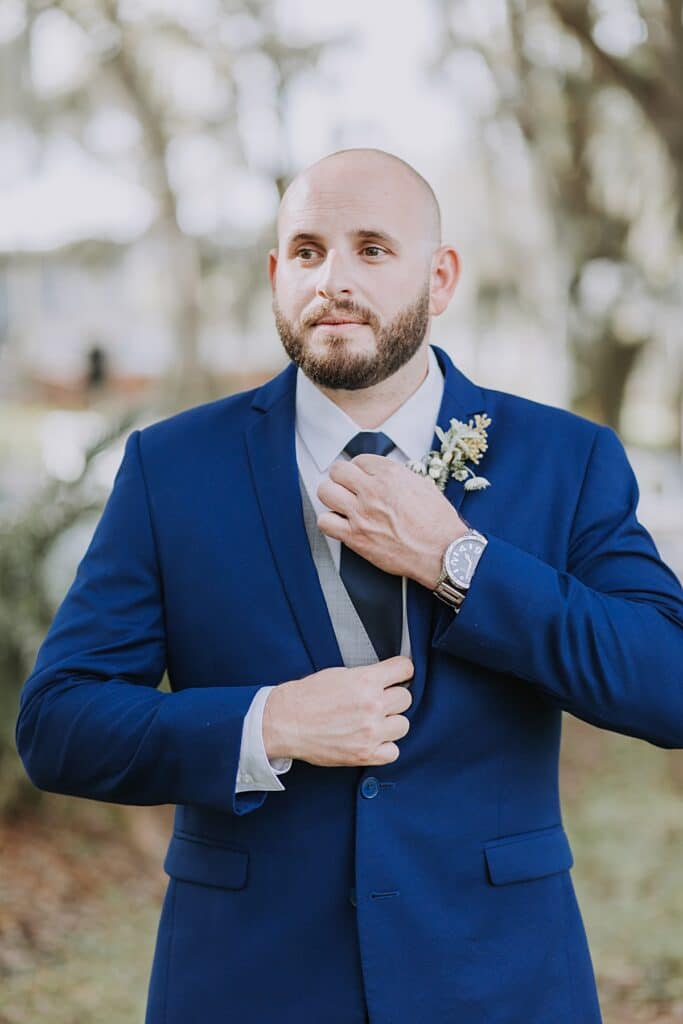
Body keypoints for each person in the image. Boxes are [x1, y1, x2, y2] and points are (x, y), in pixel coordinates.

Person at [16, 147, 683, 1024]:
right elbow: (58, 722)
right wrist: (269, 723)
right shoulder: (172, 467)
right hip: (246, 982)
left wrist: (458, 562)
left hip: (496, 978)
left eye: (372, 249)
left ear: (438, 278)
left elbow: (666, 685)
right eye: (306, 251)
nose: (333, 278)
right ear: (274, 276)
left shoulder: (564, 459)